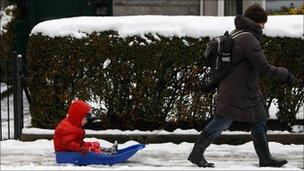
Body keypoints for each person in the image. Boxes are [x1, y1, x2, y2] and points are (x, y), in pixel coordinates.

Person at [188, 4, 294, 168]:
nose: (264, 27)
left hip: (244, 88)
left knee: (259, 119)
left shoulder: (237, 33)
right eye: (262, 23)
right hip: (237, 90)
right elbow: (263, 67)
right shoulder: (248, 39)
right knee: (221, 121)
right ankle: (196, 153)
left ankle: (265, 158)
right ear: (256, 22)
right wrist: (286, 75)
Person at [53, 99, 118, 155]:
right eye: (85, 118)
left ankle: (108, 150)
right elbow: (69, 144)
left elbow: (76, 143)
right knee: (90, 150)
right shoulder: (67, 127)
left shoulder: (73, 125)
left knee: (92, 145)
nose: (86, 121)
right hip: (66, 154)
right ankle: (104, 155)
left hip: (71, 150)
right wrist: (83, 148)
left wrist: (85, 146)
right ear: (78, 117)